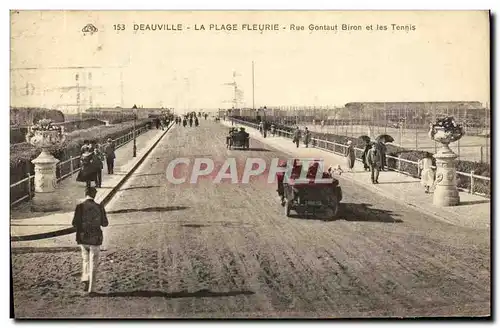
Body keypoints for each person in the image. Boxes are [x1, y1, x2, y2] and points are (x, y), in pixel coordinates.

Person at [72, 187, 109, 295]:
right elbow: (105, 223)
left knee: (85, 259)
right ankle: (91, 289)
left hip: (83, 238)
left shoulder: (79, 207)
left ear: (85, 194)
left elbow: (74, 223)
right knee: (93, 262)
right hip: (95, 239)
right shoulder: (99, 207)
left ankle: (85, 278)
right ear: (94, 195)